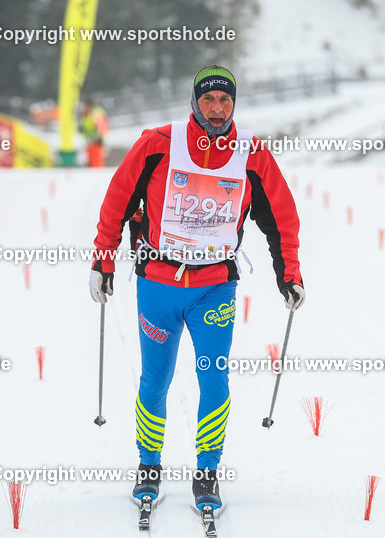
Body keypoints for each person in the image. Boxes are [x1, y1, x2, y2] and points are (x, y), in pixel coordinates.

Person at [88, 65, 304, 513]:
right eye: (209, 99)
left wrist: (290, 274)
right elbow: (118, 199)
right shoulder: (158, 144)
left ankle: (207, 474)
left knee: (214, 380)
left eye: (226, 100)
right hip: (158, 284)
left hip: (214, 288)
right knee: (155, 380)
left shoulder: (252, 153)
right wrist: (103, 259)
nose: (218, 109)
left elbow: (280, 218)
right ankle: (149, 467)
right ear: (194, 102)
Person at [79, 98, 109, 167]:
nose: (83, 108)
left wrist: (101, 138)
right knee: (91, 164)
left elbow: (102, 126)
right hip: (89, 143)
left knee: (96, 164)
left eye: (84, 106)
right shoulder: (85, 115)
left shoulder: (95, 113)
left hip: (96, 142)